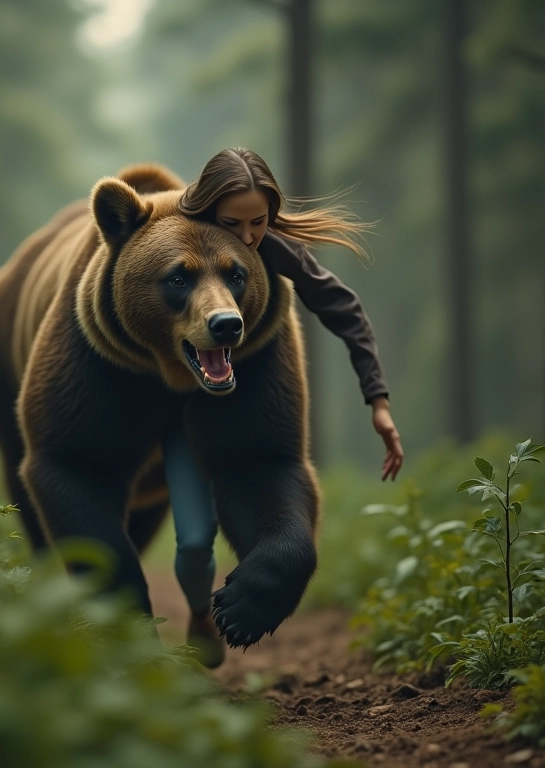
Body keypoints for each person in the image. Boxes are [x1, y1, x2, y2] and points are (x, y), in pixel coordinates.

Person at [164, 147, 404, 667]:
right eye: (233, 223)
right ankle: (186, 615)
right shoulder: (168, 240)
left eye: (259, 222)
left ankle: (226, 602)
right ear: (206, 208)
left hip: (241, 403)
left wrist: (378, 400)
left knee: (266, 533)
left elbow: (342, 307)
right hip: (168, 406)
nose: (249, 237)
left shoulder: (270, 247)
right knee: (193, 543)